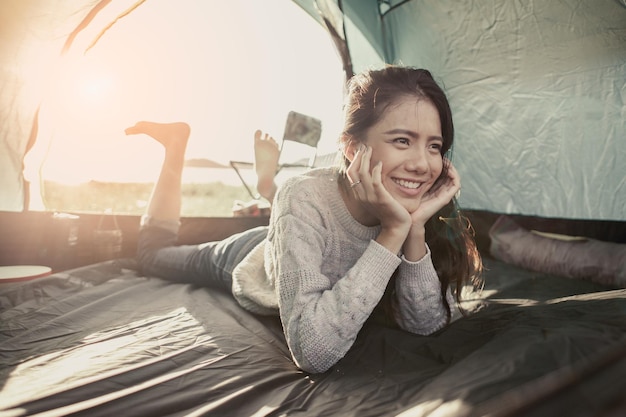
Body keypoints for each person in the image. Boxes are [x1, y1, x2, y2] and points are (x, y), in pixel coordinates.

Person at [127, 66, 482, 374]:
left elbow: (425, 324)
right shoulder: (304, 194)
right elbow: (313, 351)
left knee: (285, 210)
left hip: (300, 235)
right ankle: (176, 144)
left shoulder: (414, 213)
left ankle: (265, 187)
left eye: (434, 146)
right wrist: (392, 231)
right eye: (402, 140)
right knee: (152, 255)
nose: (423, 164)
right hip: (250, 261)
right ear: (352, 148)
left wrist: (413, 227)